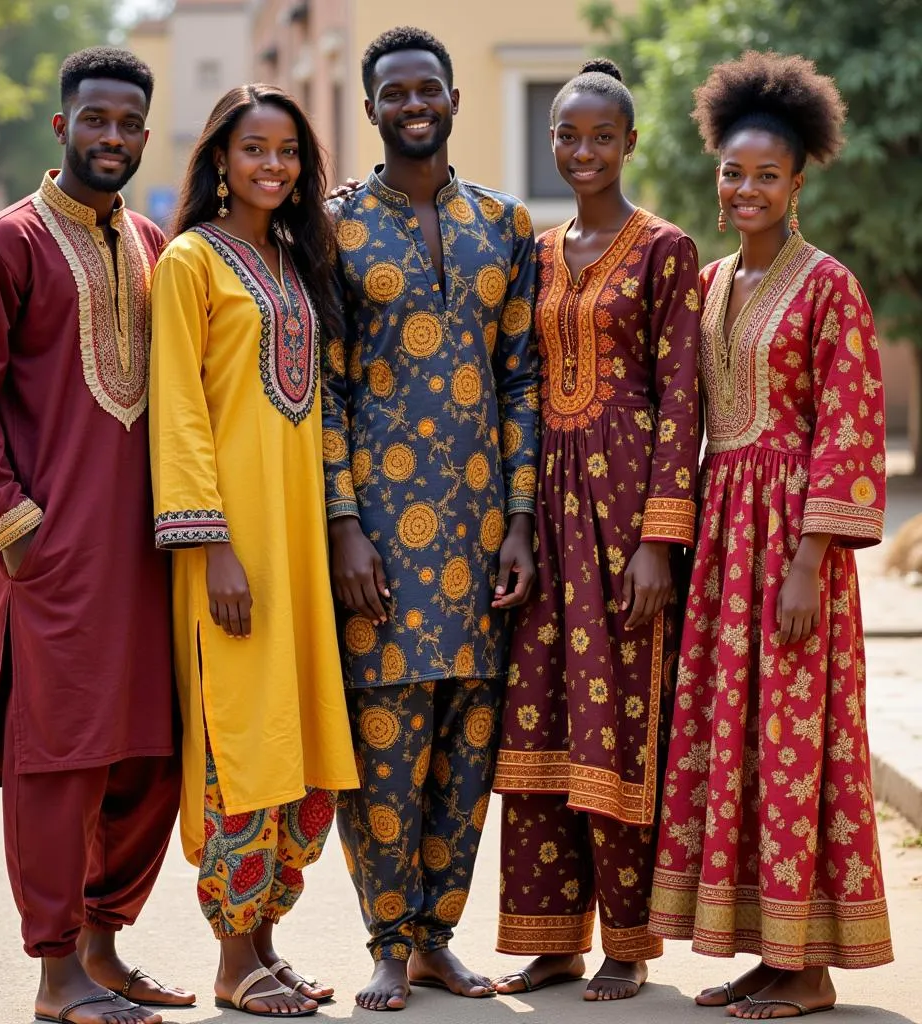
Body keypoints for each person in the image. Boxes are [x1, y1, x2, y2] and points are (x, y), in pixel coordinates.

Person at [0, 48, 194, 1024]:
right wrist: (16, 531)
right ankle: (56, 976)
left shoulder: (156, 247)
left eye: (130, 123)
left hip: (145, 554)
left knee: (148, 756)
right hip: (52, 556)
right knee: (60, 760)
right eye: (97, 120)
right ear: (62, 126)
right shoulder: (8, 243)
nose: (114, 137)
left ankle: (103, 946)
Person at [648, 51, 894, 1018]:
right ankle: (767, 948)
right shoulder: (710, 286)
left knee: (795, 739)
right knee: (732, 738)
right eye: (732, 172)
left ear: (797, 183)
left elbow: (851, 429)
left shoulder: (831, 287)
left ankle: (810, 967)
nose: (744, 188)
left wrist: (806, 563)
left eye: (766, 175)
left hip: (794, 549)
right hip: (721, 540)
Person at [322, 25, 540, 1013]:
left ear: (451, 97)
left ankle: (436, 939)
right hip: (377, 535)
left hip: (482, 533)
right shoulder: (330, 227)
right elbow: (319, 386)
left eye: (428, 88)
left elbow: (523, 378)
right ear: (370, 109)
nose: (413, 103)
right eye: (393, 92)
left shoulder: (504, 222)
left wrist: (525, 520)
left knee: (467, 742)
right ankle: (384, 938)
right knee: (382, 745)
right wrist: (341, 520)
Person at [490, 59, 701, 1003]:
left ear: (630, 142)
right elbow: (527, 392)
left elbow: (680, 398)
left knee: (618, 719)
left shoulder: (666, 250)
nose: (583, 151)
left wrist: (661, 537)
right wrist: (521, 526)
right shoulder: (537, 253)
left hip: (625, 521)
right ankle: (550, 938)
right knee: (536, 718)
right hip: (550, 504)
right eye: (567, 136)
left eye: (601, 136)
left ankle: (626, 940)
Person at [148, 84, 360, 1019]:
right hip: (230, 546)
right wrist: (212, 544)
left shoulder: (292, 257)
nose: (271, 167)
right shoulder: (190, 260)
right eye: (253, 150)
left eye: (286, 153)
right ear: (220, 160)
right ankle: (234, 965)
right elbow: (181, 411)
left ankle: (265, 947)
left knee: (292, 734)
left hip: (299, 541)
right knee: (240, 737)